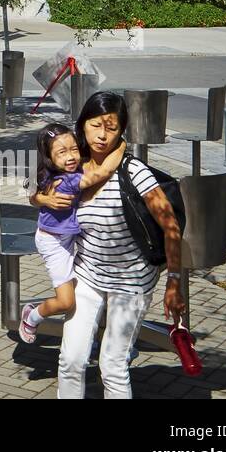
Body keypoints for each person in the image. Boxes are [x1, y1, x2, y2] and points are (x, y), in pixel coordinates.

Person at [29, 91, 185, 399]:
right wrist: (39, 198)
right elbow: (36, 184)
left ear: (121, 130)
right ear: (83, 125)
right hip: (88, 275)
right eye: (96, 125)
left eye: (112, 128)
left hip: (130, 283)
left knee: (112, 365)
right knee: (71, 360)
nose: (102, 135)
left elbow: (170, 225)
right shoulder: (74, 166)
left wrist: (174, 281)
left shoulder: (133, 171)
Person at [18, 122, 126, 342]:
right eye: (62, 152)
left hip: (67, 238)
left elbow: (31, 193)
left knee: (85, 292)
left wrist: (41, 198)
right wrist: (121, 145)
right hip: (54, 243)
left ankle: (94, 337)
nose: (71, 157)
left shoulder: (56, 170)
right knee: (67, 301)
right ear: (49, 157)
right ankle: (32, 315)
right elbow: (103, 172)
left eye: (74, 149)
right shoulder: (67, 179)